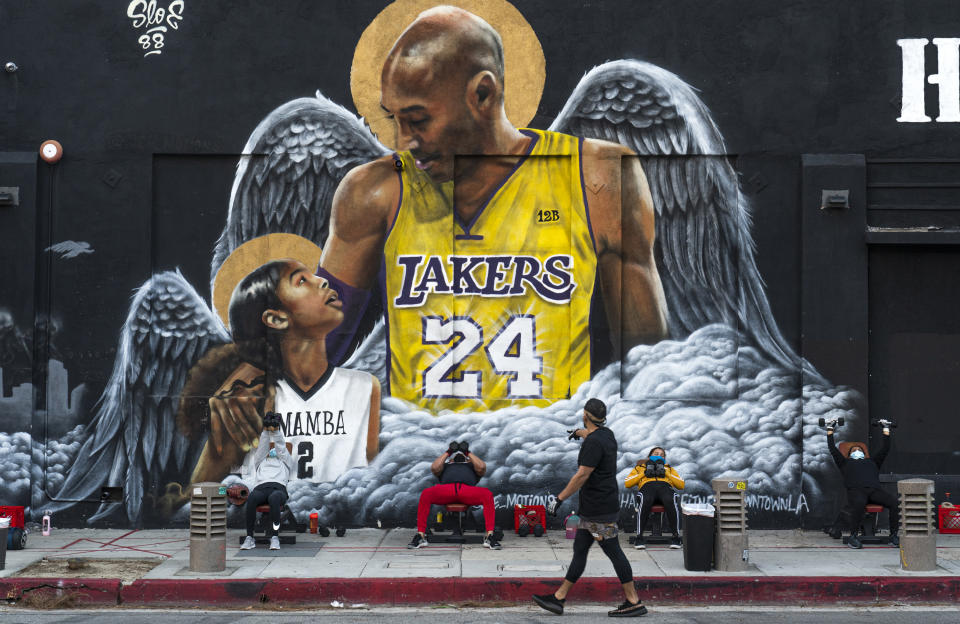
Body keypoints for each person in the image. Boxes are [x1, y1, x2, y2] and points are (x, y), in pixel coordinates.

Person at [208, 5, 669, 433]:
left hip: (546, 450)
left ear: (482, 94)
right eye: (394, 119)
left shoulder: (599, 179)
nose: (403, 139)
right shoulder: (374, 191)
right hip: (420, 455)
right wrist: (254, 381)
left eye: (417, 119)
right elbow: (319, 339)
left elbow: (648, 366)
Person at [190, 259, 381, 490]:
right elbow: (198, 492)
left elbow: (373, 481)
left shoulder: (365, 387)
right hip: (269, 512)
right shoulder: (247, 400)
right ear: (276, 318)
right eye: (302, 280)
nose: (322, 280)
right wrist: (234, 493)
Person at [535, 398, 648, 617]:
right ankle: (559, 598)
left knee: (613, 550)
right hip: (595, 509)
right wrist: (579, 432)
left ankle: (634, 601)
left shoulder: (594, 443)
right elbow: (593, 436)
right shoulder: (607, 435)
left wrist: (558, 499)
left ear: (585, 415)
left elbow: (582, 475)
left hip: (599, 512)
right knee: (580, 550)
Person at [407, 440, 501, 550]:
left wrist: (467, 453)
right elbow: (434, 468)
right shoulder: (446, 465)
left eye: (463, 456)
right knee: (426, 494)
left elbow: (482, 467)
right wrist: (449, 451)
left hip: (466, 490)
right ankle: (421, 536)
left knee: (487, 494)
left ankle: (490, 536)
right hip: (447, 490)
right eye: (456, 455)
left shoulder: (471, 466)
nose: (458, 456)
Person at [827, 422, 898, 549]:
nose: (857, 451)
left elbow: (885, 449)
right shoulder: (845, 463)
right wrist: (830, 430)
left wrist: (886, 429)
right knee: (859, 504)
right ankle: (853, 536)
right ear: (849, 455)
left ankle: (894, 535)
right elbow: (832, 449)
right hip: (857, 491)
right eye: (854, 450)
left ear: (864, 454)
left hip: (874, 491)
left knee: (894, 502)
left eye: (859, 450)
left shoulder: (872, 462)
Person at [239, 412, 296, 550]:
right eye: (270, 450)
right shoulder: (261, 461)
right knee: (252, 498)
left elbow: (281, 447)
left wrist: (275, 430)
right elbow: (263, 446)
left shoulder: (285, 461)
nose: (272, 451)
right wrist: (265, 429)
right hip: (261, 488)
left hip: (278, 489)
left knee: (275, 498)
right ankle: (249, 537)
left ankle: (275, 537)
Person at [624, 446, 684, 550]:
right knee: (646, 499)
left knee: (670, 499)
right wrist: (644, 472)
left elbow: (681, 485)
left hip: (665, 487)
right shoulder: (640, 468)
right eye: (656, 454)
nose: (659, 456)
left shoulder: (669, 468)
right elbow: (627, 483)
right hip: (647, 487)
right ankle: (639, 537)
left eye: (662, 455)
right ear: (650, 456)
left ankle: (676, 537)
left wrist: (667, 473)